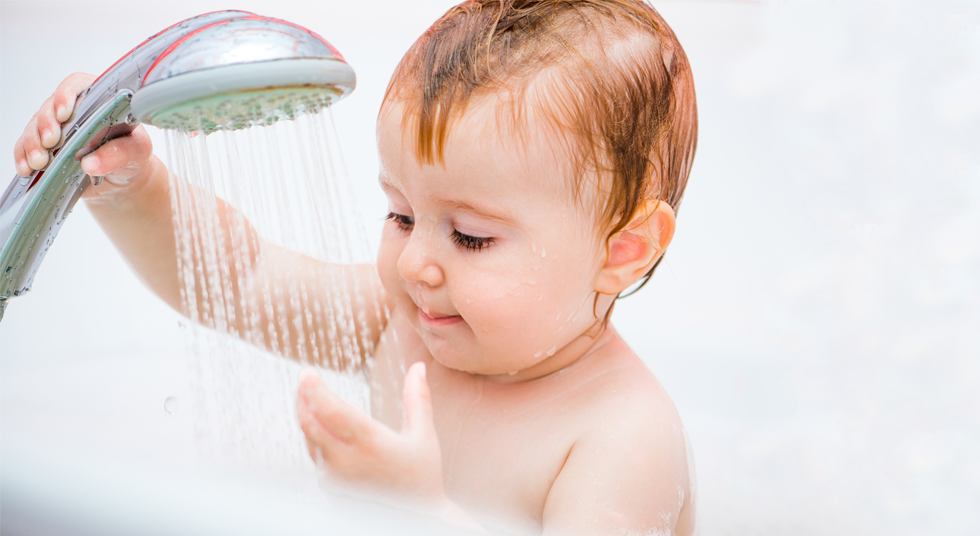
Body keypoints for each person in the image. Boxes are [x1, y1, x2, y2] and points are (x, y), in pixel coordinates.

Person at [13, 1, 698, 533]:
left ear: (622, 249)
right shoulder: (403, 324)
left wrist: (418, 515)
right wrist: (133, 186)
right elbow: (238, 282)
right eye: (400, 216)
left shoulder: (622, 437)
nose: (416, 262)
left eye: (470, 237)